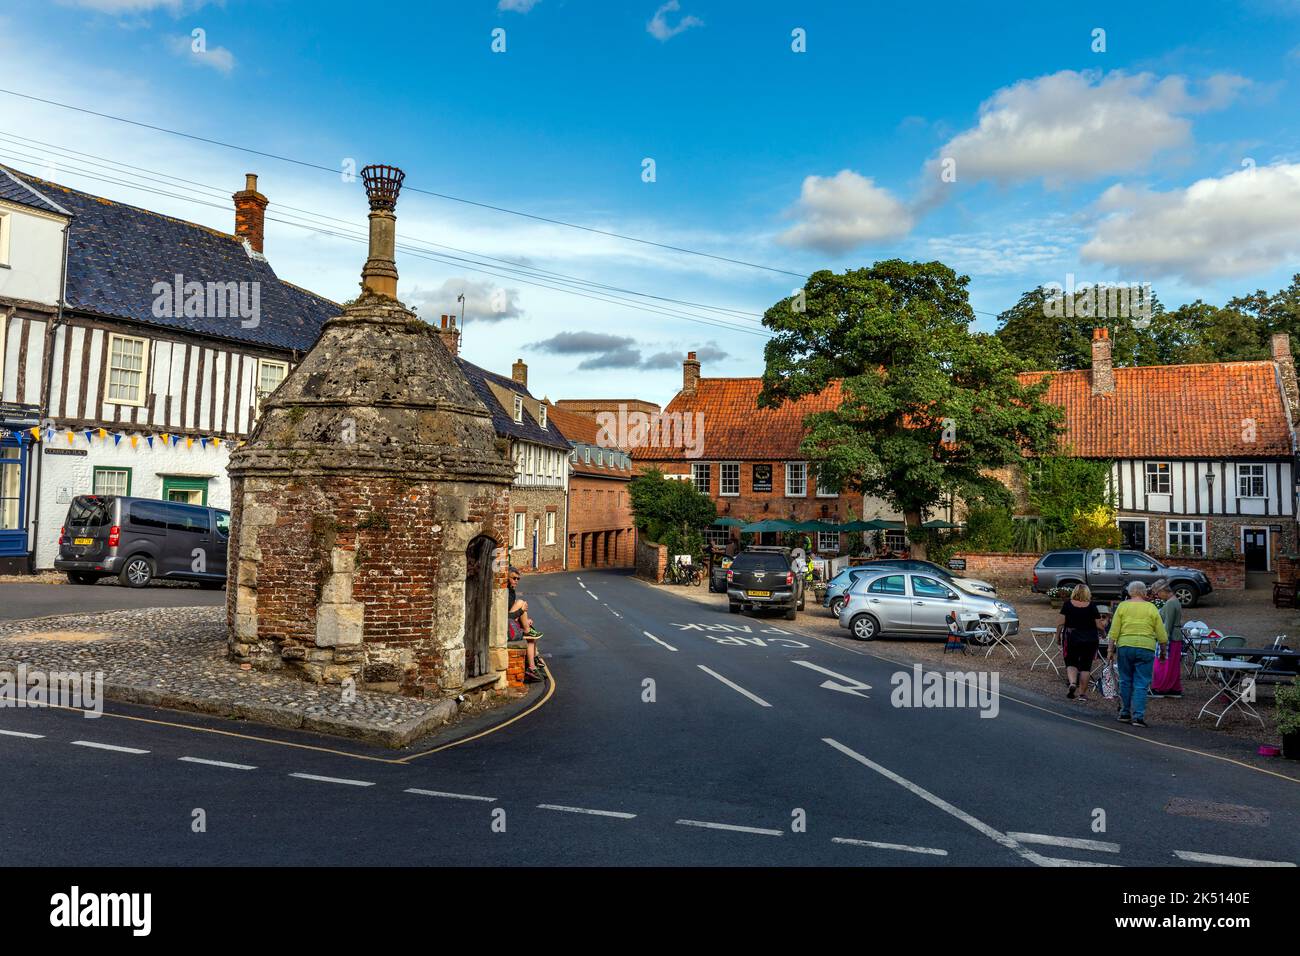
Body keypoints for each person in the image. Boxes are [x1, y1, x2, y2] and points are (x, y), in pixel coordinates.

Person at [1106, 581, 1168, 727]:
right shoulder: (1151, 608)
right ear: (1144, 593)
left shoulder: (1122, 606)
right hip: (1146, 647)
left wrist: (1110, 650)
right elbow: (1161, 632)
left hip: (1125, 646)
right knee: (1142, 682)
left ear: (1130, 592)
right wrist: (1163, 651)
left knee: (1125, 680)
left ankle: (1125, 712)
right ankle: (1138, 716)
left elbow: (1114, 630)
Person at [1057, 583, 1102, 701]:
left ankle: (1072, 683)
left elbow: (1061, 623)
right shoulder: (1092, 606)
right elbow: (1099, 625)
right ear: (1088, 593)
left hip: (1072, 637)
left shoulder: (1067, 604)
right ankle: (1082, 694)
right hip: (1090, 638)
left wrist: (1058, 636)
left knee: (1071, 662)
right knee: (1086, 666)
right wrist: (1104, 633)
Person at [507, 566, 545, 683]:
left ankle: (532, 666)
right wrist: (521, 611)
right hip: (505, 629)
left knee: (532, 639)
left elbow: (511, 615)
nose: (516, 581)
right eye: (514, 578)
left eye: (518, 579)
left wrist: (524, 620)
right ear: (507, 578)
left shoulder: (511, 592)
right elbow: (504, 617)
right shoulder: (504, 593)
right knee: (521, 603)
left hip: (510, 624)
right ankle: (532, 666)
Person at [1149, 579, 1184, 698]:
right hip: (1176, 637)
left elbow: (1167, 624)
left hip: (1170, 637)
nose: (1157, 596)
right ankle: (1174, 688)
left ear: (1163, 590)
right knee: (1173, 665)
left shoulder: (1170, 603)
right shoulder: (1175, 601)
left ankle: (1160, 688)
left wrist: (1162, 640)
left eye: (1157, 593)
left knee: (1162, 664)